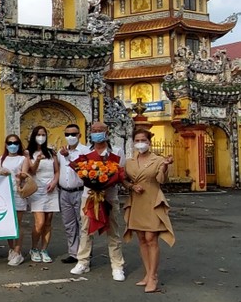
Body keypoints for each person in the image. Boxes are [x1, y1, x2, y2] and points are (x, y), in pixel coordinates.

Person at [70, 121, 127, 282]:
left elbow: (120, 173)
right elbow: (79, 172)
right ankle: (83, 262)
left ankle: (117, 265)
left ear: (107, 132)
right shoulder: (84, 153)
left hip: (109, 197)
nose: (97, 133)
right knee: (85, 230)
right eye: (94, 130)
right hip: (88, 197)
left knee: (113, 231)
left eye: (100, 130)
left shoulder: (116, 152)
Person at [122, 128, 175, 293]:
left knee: (151, 238)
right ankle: (147, 273)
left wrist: (165, 167)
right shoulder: (129, 161)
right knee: (142, 239)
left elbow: (162, 180)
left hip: (152, 200)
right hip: (136, 201)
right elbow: (122, 179)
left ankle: (153, 276)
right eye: (137, 140)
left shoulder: (158, 160)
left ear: (149, 142)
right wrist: (131, 186)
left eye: (143, 140)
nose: (140, 143)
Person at [0, 134, 30, 266]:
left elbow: (24, 176)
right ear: (6, 145)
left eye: (15, 143)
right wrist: (0, 173)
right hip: (4, 194)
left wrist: (15, 175)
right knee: (8, 224)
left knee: (18, 224)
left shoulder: (23, 159)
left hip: (17, 193)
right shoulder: (1, 158)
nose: (12, 145)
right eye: (9, 143)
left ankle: (18, 250)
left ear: (19, 145)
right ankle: (11, 248)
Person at [57, 124, 90, 264]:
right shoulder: (60, 152)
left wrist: (68, 157)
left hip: (80, 191)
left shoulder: (86, 151)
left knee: (83, 224)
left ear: (79, 135)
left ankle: (84, 253)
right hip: (64, 192)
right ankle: (73, 252)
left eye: (73, 134)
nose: (70, 137)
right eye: (67, 134)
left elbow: (85, 171)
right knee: (69, 224)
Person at [26, 126, 60, 264]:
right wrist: (38, 160)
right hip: (37, 190)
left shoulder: (51, 152)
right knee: (39, 223)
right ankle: (34, 248)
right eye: (39, 134)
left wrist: (54, 182)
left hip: (51, 189)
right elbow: (32, 170)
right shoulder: (29, 153)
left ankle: (44, 249)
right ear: (34, 136)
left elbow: (57, 171)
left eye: (43, 134)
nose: (41, 137)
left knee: (48, 223)